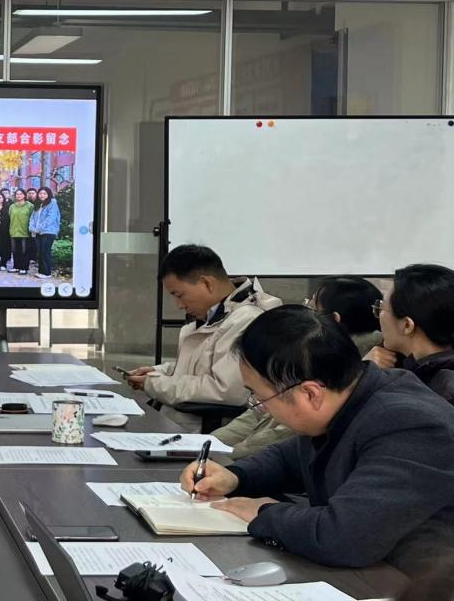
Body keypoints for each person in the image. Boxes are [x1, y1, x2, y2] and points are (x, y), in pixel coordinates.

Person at [180, 306, 454, 575]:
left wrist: (262, 512)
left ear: (311, 393)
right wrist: (235, 477)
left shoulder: (409, 424)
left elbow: (344, 537)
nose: (262, 408)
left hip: (416, 582)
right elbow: (289, 458)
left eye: (261, 398)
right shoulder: (351, 398)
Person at [214, 275, 382, 459]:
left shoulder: (318, 362)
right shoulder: (307, 352)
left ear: (333, 320)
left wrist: (223, 458)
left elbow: (282, 438)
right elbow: (258, 412)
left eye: (312, 307)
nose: (305, 311)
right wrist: (212, 444)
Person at [127, 245, 281, 431]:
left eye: (179, 295)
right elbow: (202, 364)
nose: (179, 305)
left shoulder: (247, 320)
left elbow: (224, 390)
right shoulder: (216, 314)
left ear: (207, 283)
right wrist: (160, 371)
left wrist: (154, 383)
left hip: (201, 431)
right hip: (178, 422)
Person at [372, 264, 454, 404]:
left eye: (381, 307)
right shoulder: (424, 372)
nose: (378, 315)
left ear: (407, 325)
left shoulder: (441, 392)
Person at [29, 186, 61, 279]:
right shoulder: (38, 204)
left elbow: (50, 218)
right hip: (38, 232)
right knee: (40, 252)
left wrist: (39, 228)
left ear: (48, 194)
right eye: (40, 193)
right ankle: (41, 271)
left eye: (44, 193)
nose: (42, 195)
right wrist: (32, 227)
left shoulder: (52, 203)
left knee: (45, 252)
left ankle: (47, 273)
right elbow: (32, 217)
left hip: (48, 231)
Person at [9, 188, 33, 275]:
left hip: (25, 232)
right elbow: (9, 217)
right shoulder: (12, 206)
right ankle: (16, 266)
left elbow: (32, 218)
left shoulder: (30, 206)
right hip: (14, 231)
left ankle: (24, 268)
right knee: (15, 250)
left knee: (24, 251)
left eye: (20, 194)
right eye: (17, 194)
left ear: (24, 195)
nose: (18, 195)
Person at [25, 188, 39, 267]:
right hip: (26, 225)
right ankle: (30, 257)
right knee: (28, 242)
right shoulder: (26, 203)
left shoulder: (38, 202)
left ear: (36, 194)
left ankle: (35, 258)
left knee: (35, 242)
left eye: (33, 193)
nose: (31, 195)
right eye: (29, 193)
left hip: (36, 226)